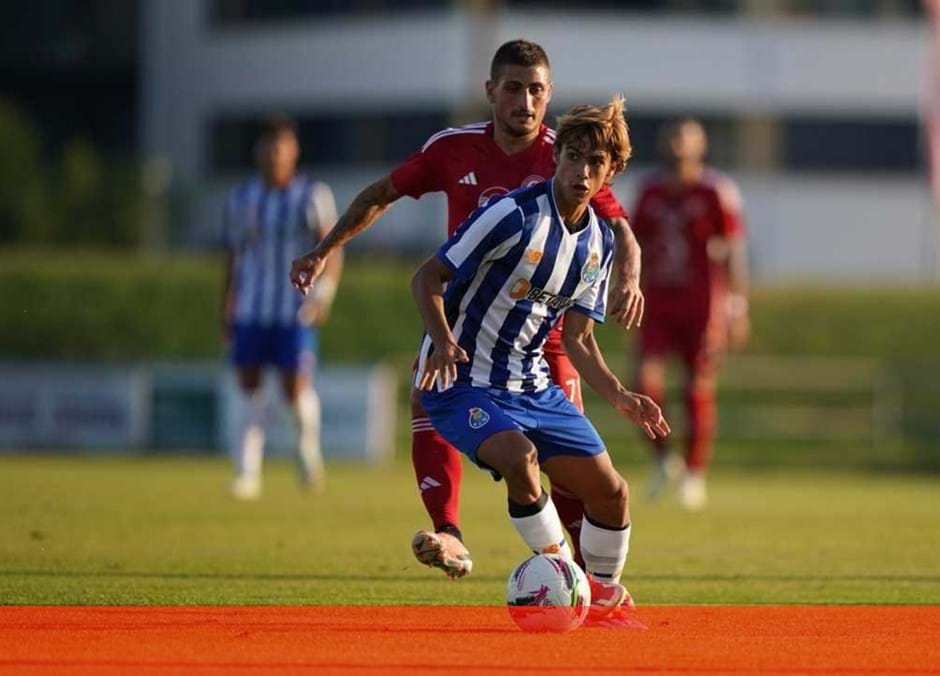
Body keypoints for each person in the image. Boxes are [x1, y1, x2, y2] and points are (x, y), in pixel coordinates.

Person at [289, 40, 644, 578]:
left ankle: (585, 582)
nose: (525, 101)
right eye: (514, 89)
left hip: (546, 336)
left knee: (574, 474)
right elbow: (383, 194)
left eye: (537, 91)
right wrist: (324, 249)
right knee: (428, 399)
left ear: (549, 97)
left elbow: (617, 229)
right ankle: (452, 533)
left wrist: (629, 279)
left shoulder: (569, 153)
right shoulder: (454, 150)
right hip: (464, 321)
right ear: (491, 92)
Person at [411, 95, 667, 622]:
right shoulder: (511, 215)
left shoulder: (598, 242)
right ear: (558, 158)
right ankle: (561, 577)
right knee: (521, 458)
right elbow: (426, 278)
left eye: (595, 163)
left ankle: (601, 598)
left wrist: (620, 395)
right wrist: (440, 340)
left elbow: (578, 341)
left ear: (610, 174)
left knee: (612, 494)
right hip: (462, 382)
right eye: (573, 156)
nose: (581, 170)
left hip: (533, 385)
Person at [630, 118, 750, 510]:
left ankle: (695, 474)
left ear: (701, 145)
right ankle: (666, 459)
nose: (679, 144)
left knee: (696, 387)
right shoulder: (649, 191)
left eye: (687, 137)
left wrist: (736, 306)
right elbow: (633, 245)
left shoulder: (716, 190)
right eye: (674, 136)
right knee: (642, 382)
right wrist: (624, 289)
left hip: (702, 305)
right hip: (658, 302)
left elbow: (733, 250)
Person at [222, 116, 341, 500]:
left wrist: (323, 295)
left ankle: (307, 455)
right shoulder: (242, 197)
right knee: (247, 385)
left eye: (282, 147)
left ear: (294, 151)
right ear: (258, 151)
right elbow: (233, 257)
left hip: (294, 308)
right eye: (268, 147)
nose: (275, 155)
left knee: (294, 389)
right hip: (252, 309)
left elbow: (332, 248)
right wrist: (227, 306)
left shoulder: (312, 195)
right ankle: (247, 472)